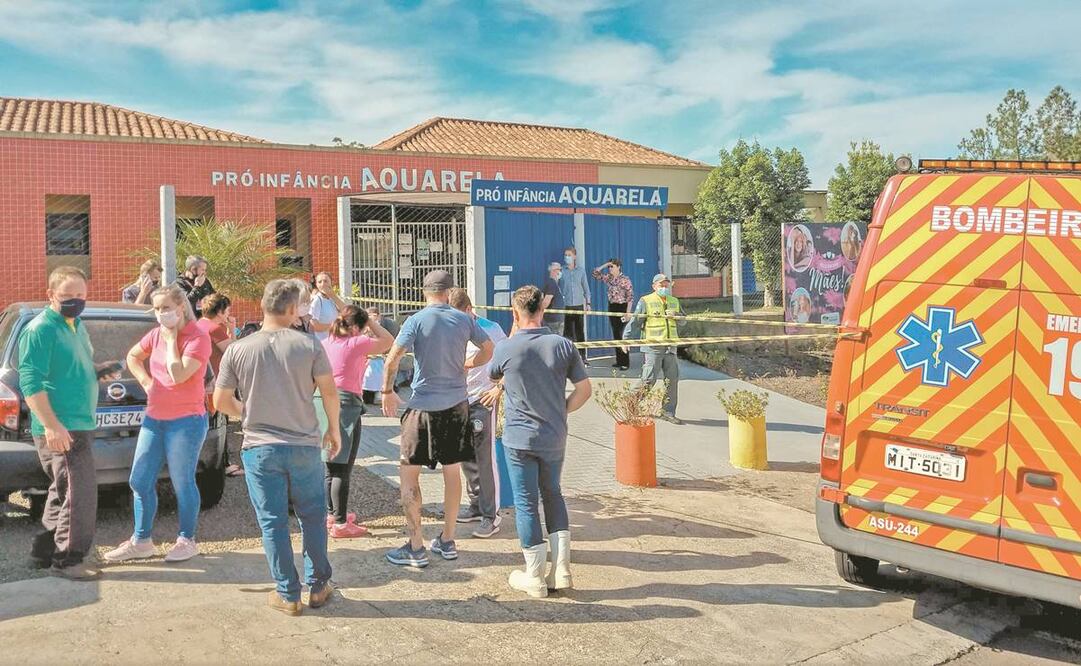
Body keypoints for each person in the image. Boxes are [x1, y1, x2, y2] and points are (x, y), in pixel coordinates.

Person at [212, 279, 342, 616]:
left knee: (272, 522)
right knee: (312, 517)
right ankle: (317, 586)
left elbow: (220, 400)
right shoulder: (309, 346)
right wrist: (334, 429)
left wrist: (248, 412)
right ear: (290, 309)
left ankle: (287, 594)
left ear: (263, 306)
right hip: (303, 445)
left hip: (259, 447)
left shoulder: (238, 349)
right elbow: (329, 391)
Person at [380, 270, 493, 568]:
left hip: (422, 407)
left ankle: (416, 545)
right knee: (452, 470)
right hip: (456, 404)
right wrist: (469, 363)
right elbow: (489, 349)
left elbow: (393, 358)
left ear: (424, 292)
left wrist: (387, 391)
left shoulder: (416, 320)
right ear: (448, 291)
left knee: (408, 474)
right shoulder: (465, 319)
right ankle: (448, 538)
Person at [486, 285, 591, 598]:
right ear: (542, 309)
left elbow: (493, 376)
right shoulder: (563, 345)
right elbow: (584, 390)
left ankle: (533, 574)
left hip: (519, 437)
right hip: (554, 435)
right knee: (553, 495)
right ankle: (562, 571)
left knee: (526, 502)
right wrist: (562, 412)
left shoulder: (505, 347)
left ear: (515, 313)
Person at [104, 285, 211, 564]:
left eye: (165, 307)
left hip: (186, 421)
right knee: (139, 479)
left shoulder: (198, 337)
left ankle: (187, 539)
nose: (160, 314)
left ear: (181, 307)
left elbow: (178, 374)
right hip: (154, 419)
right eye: (156, 308)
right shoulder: (155, 334)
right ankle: (141, 541)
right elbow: (132, 356)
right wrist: (146, 381)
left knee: (182, 481)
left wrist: (173, 339)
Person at [20, 266, 100, 580]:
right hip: (62, 427)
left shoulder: (75, 324)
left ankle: (41, 553)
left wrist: (98, 371)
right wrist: (52, 425)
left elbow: (70, 367)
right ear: (51, 294)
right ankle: (68, 561)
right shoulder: (42, 328)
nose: (75, 300)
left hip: (79, 422)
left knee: (62, 491)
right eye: (67, 295)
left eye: (80, 295)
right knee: (79, 494)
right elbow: (31, 382)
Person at [319, 305, 393, 539]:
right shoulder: (355, 342)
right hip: (346, 404)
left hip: (324, 401)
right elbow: (388, 340)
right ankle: (340, 524)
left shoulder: (327, 342)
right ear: (358, 327)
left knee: (330, 464)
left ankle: (331, 514)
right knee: (343, 465)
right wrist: (371, 322)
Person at [448, 288, 507, 539]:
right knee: (466, 457)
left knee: (485, 458)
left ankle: (491, 516)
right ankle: (475, 504)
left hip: (482, 399)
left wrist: (498, 388)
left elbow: (508, 361)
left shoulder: (491, 329)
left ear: (469, 310)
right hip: (459, 398)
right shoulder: (451, 327)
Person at [624, 273, 684, 425]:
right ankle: (630, 404)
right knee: (648, 379)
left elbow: (683, 321)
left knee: (672, 380)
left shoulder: (674, 301)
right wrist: (626, 339)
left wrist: (676, 316)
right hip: (653, 347)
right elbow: (635, 321)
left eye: (666, 285)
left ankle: (668, 412)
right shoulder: (646, 301)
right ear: (654, 286)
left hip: (670, 347)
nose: (664, 287)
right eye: (661, 285)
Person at [197, 293, 242, 477]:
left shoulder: (199, 324)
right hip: (214, 382)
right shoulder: (215, 329)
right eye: (227, 310)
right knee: (219, 423)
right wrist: (232, 328)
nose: (229, 313)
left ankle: (220, 462)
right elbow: (233, 352)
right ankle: (222, 464)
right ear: (220, 311)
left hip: (201, 381)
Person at [591, 258, 634, 370]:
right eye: (609, 267)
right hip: (612, 307)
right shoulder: (609, 278)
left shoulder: (625, 280)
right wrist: (605, 264)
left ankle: (625, 362)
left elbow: (630, 297)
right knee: (616, 334)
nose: (610, 269)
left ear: (618, 267)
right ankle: (619, 361)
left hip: (622, 307)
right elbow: (595, 274)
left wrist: (628, 312)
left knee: (622, 335)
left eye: (612, 266)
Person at [558, 246, 591, 364]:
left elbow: (586, 288)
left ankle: (583, 357)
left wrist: (588, 303)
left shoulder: (581, 271)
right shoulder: (561, 271)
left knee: (579, 331)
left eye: (569, 255)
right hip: (566, 306)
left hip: (578, 306)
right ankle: (568, 358)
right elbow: (557, 286)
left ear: (575, 256)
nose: (567, 257)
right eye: (565, 255)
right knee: (567, 333)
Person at [361, 306, 399, 405]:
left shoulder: (380, 327)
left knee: (379, 375)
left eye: (374, 315)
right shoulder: (364, 327)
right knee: (366, 376)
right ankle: (363, 394)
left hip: (378, 356)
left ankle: (379, 394)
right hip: (367, 357)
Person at [309, 272, 348, 341]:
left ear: (331, 282)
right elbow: (314, 325)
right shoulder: (317, 300)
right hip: (321, 342)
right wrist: (334, 326)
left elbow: (346, 311)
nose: (323, 284)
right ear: (316, 284)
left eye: (326, 281)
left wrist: (333, 296)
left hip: (334, 340)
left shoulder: (332, 298)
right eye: (319, 282)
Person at [541, 262, 565, 336]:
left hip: (557, 320)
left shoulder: (556, 284)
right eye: (559, 269)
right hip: (553, 321)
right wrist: (539, 312)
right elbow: (545, 302)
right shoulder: (552, 284)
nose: (560, 271)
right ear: (553, 271)